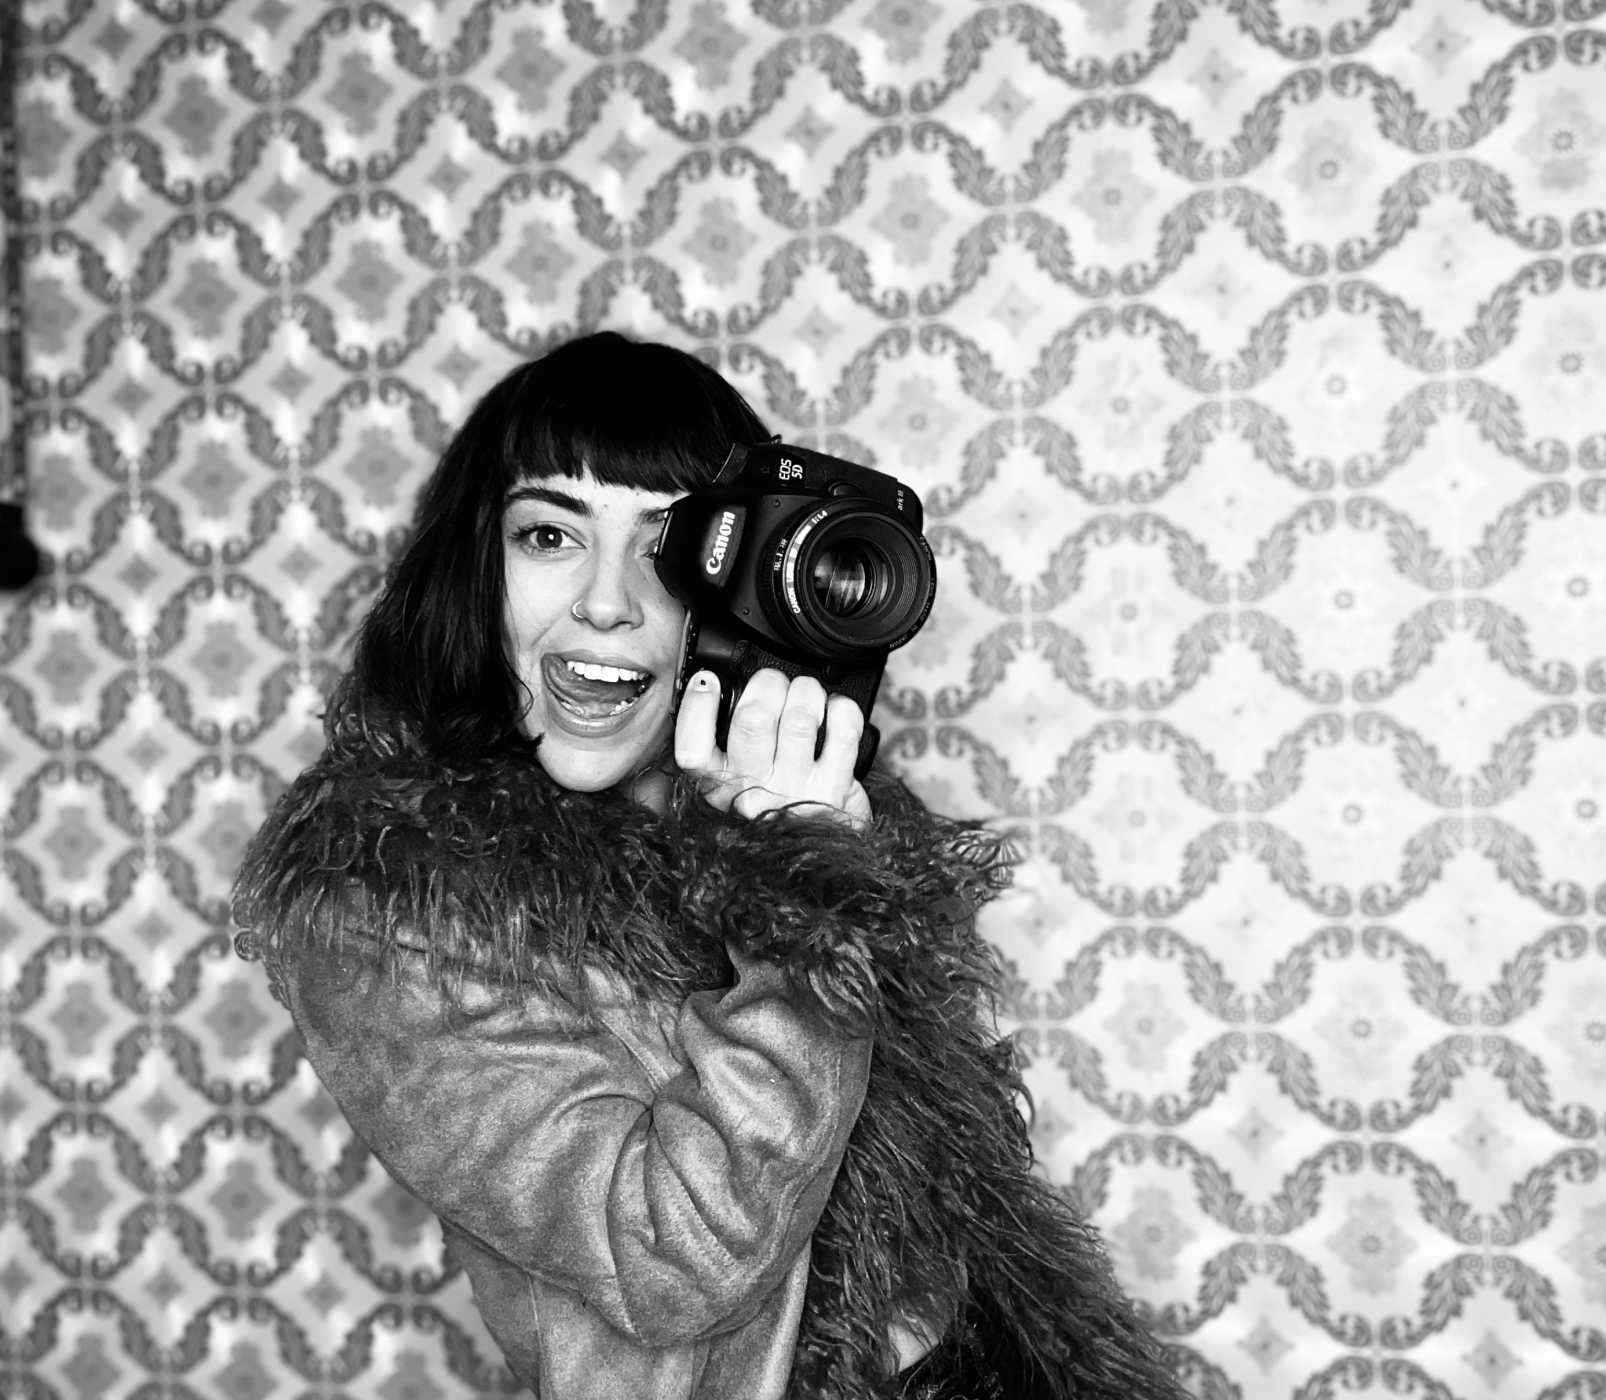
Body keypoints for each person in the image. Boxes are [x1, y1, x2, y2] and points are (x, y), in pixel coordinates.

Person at [232, 332, 1186, 1400]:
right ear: (475, 569)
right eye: (549, 534)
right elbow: (673, 1260)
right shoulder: (392, 901)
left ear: (732, 577)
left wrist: (801, 847)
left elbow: (939, 1212)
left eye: (666, 545)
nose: (606, 601)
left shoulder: (791, 804)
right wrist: (799, 903)